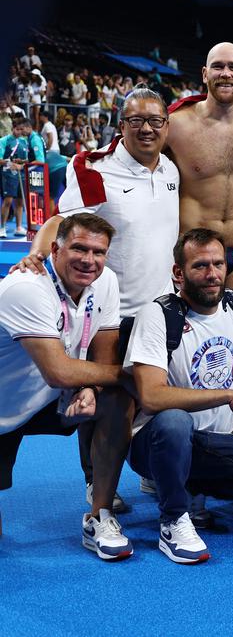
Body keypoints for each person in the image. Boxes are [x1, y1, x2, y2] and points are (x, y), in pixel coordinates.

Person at [18, 85, 180, 513]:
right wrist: (37, 252)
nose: (146, 129)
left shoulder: (170, 170)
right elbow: (62, 221)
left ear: (167, 125)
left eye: (155, 121)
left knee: (157, 398)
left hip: (159, 310)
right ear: (120, 124)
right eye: (135, 121)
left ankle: (148, 472)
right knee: (109, 404)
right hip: (113, 311)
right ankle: (96, 483)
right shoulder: (95, 169)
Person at [125, 228, 233, 564]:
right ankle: (173, 519)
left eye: (218, 264)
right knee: (174, 420)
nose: (212, 274)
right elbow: (151, 397)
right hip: (155, 442)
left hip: (210, 444)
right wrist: (228, 397)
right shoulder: (159, 315)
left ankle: (191, 488)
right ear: (178, 273)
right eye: (200, 266)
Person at [0, 214, 133, 558]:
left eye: (98, 252)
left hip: (49, 399)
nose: (89, 260)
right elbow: (58, 372)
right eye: (79, 248)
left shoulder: (105, 282)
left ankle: (99, 515)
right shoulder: (26, 288)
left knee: (117, 400)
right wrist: (132, 375)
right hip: (6, 403)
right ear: (55, 250)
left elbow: (104, 347)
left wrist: (92, 388)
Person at [166, 43, 233, 314]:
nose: (225, 73)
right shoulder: (176, 123)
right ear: (204, 74)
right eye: (218, 66)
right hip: (193, 252)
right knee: (184, 340)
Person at [1, 116, 41, 238]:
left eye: (21, 129)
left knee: (20, 202)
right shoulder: (4, 140)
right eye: (17, 129)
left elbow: (26, 159)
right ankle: (2, 227)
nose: (19, 132)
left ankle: (19, 227)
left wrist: (22, 162)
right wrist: (11, 163)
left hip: (21, 174)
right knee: (8, 201)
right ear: (13, 128)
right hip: (8, 174)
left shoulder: (24, 141)